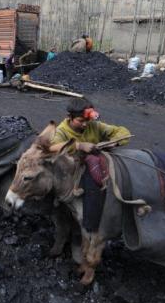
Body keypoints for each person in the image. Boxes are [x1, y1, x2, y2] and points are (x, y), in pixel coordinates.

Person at [51, 97, 131, 232]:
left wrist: (114, 142)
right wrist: (79, 145)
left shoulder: (94, 125)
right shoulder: (61, 131)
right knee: (92, 190)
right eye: (81, 121)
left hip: (96, 165)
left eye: (87, 120)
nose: (85, 125)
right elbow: (53, 147)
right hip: (73, 170)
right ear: (69, 117)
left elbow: (124, 132)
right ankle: (90, 226)